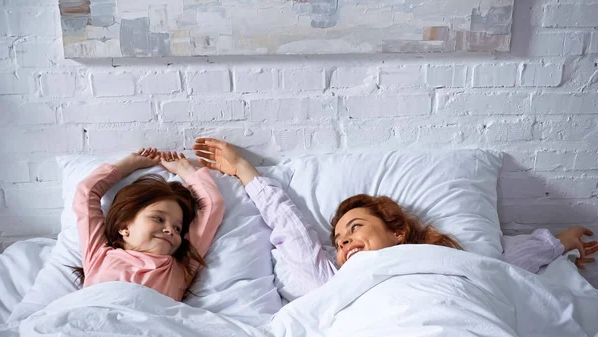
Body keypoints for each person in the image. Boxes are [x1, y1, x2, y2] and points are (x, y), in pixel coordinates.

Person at [193, 138, 598, 301]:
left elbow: (500, 267)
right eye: (338, 239)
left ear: (399, 231)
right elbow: (290, 227)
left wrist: (559, 241)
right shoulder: (331, 281)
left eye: (355, 228)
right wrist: (245, 169)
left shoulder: (446, 259)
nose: (344, 243)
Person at [71, 148, 224, 301]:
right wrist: (128, 164)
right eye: (159, 219)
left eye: (178, 228)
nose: (170, 230)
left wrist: (186, 170)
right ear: (124, 227)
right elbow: (86, 192)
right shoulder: (98, 255)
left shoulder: (179, 269)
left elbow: (213, 205)